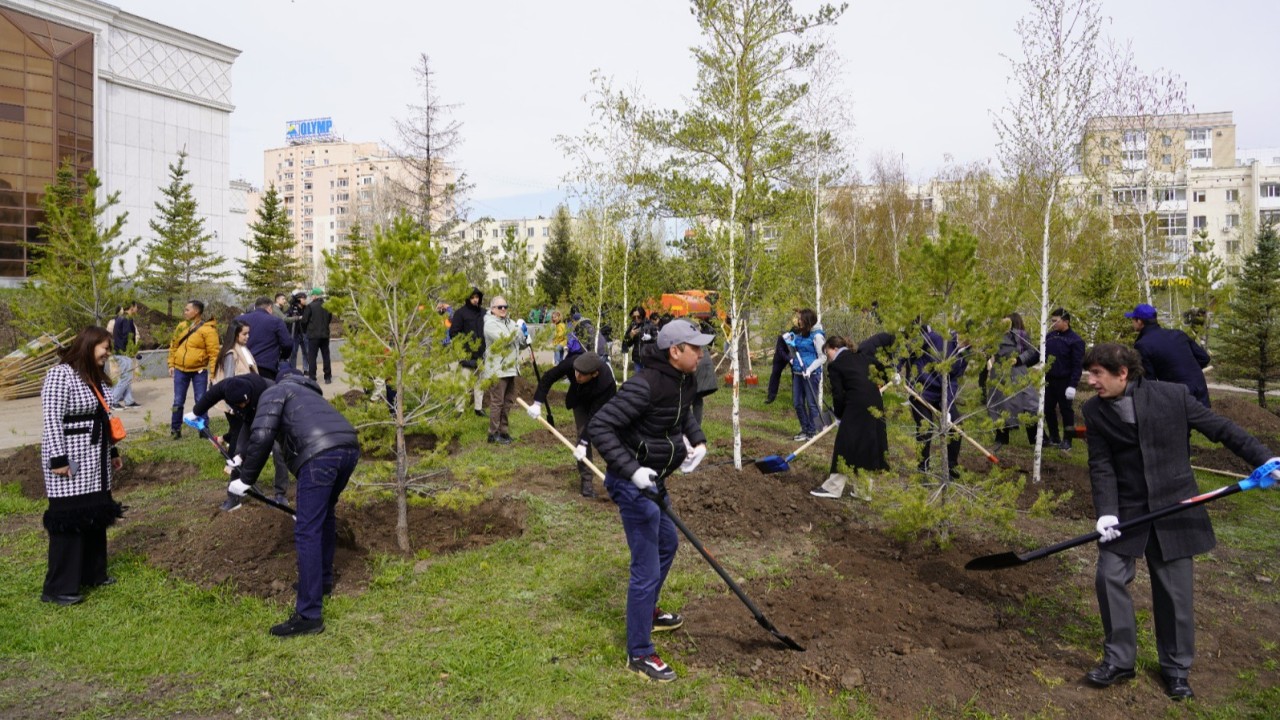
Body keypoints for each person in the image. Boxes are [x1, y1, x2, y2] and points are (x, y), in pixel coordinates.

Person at [1080, 343, 1277, 701]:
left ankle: (1175, 669)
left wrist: (1266, 458)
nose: (1090, 381)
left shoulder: (1172, 396)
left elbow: (1221, 429)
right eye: (1089, 373)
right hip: (1128, 508)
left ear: (1122, 373)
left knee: (1174, 593)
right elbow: (1101, 464)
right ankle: (1120, 660)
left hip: (1175, 506)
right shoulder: (1093, 411)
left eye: (1097, 373)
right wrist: (1106, 510)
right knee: (1109, 575)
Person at [588, 319, 713, 682]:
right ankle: (639, 653)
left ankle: (648, 613)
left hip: (654, 478)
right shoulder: (643, 385)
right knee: (646, 566)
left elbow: (684, 412)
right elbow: (599, 426)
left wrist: (699, 441)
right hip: (632, 482)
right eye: (696, 348)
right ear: (675, 352)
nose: (702, 354)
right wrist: (631, 470)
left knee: (667, 544)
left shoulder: (683, 380)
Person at [224, 369, 360, 638]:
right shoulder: (306, 392)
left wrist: (246, 479)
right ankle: (322, 583)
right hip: (348, 448)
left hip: (319, 455)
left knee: (307, 530)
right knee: (324, 517)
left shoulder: (272, 393)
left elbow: (262, 436)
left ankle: (309, 615)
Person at [39, 326, 124, 606]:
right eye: (105, 348)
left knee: (94, 515)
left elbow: (104, 413)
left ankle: (92, 573)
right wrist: (58, 458)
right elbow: (51, 419)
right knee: (70, 518)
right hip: (71, 458)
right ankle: (59, 587)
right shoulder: (60, 375)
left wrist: (112, 450)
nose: (108, 353)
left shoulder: (94, 376)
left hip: (95, 459)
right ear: (89, 345)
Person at [528, 347, 617, 498]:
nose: (577, 376)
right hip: (580, 401)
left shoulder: (606, 383)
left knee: (604, 439)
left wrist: (585, 442)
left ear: (594, 374)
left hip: (601, 406)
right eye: (576, 372)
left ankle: (617, 480)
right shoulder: (573, 364)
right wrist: (537, 402)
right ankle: (587, 482)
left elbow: (595, 417)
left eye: (582, 375)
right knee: (582, 434)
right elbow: (549, 377)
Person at [810, 335, 889, 500]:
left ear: (835, 348)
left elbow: (838, 395)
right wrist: (882, 381)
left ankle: (833, 488)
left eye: (828, 352)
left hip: (857, 405)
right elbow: (882, 369)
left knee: (845, 444)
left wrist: (839, 415)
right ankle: (864, 490)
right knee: (867, 443)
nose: (828, 357)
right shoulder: (862, 357)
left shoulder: (836, 366)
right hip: (875, 403)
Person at [909, 323, 968, 478]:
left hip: (941, 395)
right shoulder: (937, 338)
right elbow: (909, 349)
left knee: (956, 425)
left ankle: (951, 467)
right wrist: (897, 369)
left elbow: (953, 381)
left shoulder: (966, 354)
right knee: (925, 426)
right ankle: (923, 468)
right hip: (921, 391)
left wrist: (947, 407)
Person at [1127, 303, 1211, 409]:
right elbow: (1204, 358)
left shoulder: (1142, 345)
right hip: (1200, 390)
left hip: (1178, 395)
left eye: (1132, 320)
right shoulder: (1178, 334)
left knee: (1179, 425)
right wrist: (1189, 371)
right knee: (1205, 424)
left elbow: (1149, 381)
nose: (1132, 323)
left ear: (1139, 321)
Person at [987, 312, 1040, 450]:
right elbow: (986, 350)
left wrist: (1018, 359)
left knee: (1029, 401)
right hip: (999, 373)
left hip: (1018, 371)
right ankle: (1001, 438)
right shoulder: (995, 336)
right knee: (1000, 403)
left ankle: (1036, 437)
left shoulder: (1021, 335)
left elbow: (1031, 350)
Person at [168, 300, 219, 440]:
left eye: (187, 310)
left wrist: (213, 374)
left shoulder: (208, 329)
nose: (184, 312)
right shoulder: (181, 326)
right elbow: (173, 346)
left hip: (199, 371)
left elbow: (214, 354)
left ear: (196, 311)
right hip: (180, 370)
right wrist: (171, 364)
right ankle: (175, 429)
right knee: (177, 401)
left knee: (201, 400)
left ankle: (203, 429)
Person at [1044, 308, 1085, 451]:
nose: (1053, 324)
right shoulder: (1049, 337)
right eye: (1051, 321)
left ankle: (1068, 440)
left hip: (1065, 381)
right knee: (1047, 409)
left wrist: (1072, 385)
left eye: (1055, 321)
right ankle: (1054, 437)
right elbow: (1038, 354)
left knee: (1066, 411)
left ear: (1066, 321)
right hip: (1049, 380)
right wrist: (1020, 360)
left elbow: (1077, 365)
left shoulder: (1075, 340)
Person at [483, 296, 522, 444]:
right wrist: (518, 332)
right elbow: (505, 340)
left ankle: (503, 431)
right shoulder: (490, 324)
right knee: (497, 402)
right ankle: (493, 434)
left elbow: (520, 341)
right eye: (500, 307)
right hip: (497, 369)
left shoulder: (510, 322)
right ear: (493, 309)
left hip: (511, 368)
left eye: (505, 306)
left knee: (508, 401)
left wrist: (523, 335)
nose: (503, 309)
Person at [783, 308, 826, 442]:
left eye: (801, 319)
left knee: (812, 404)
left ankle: (814, 432)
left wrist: (810, 369)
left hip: (811, 374)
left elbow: (823, 357)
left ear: (807, 320)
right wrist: (791, 354)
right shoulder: (800, 333)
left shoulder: (817, 336)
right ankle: (806, 429)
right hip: (798, 372)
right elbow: (796, 351)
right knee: (797, 403)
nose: (798, 321)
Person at [448, 288, 487, 417]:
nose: (475, 299)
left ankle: (478, 408)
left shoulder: (484, 313)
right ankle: (459, 410)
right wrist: (463, 348)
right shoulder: (460, 313)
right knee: (462, 383)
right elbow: (454, 332)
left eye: (477, 297)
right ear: (468, 298)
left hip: (481, 353)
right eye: (472, 297)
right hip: (466, 354)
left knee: (480, 383)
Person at [235, 297, 293, 382]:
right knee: (266, 393)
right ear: (270, 307)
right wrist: (283, 356)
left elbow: (230, 341)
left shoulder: (238, 320)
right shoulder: (276, 321)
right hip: (266, 367)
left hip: (242, 366)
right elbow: (287, 343)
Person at [109, 301, 142, 410]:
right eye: (136, 307)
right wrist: (130, 351)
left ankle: (129, 401)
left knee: (126, 377)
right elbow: (127, 337)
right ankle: (113, 400)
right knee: (126, 378)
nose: (137, 309)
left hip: (120, 352)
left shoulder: (120, 318)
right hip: (123, 353)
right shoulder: (127, 319)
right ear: (132, 307)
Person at [301, 288, 333, 384]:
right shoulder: (328, 306)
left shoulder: (310, 306)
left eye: (312, 295)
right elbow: (329, 319)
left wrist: (306, 331)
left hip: (313, 335)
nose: (311, 297)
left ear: (315, 296)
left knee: (312, 357)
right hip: (325, 335)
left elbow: (304, 321)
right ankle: (327, 377)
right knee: (326, 356)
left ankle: (312, 377)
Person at [621, 307, 656, 371]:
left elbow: (657, 339)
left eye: (638, 317)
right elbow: (627, 343)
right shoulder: (632, 325)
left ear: (642, 315)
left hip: (648, 358)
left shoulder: (650, 325)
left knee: (648, 379)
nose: (636, 319)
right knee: (639, 380)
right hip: (637, 359)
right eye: (634, 317)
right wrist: (630, 335)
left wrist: (650, 338)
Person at [285, 292, 309, 373]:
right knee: (293, 353)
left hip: (305, 333)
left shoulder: (307, 308)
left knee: (306, 352)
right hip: (294, 334)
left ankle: (306, 369)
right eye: (304, 298)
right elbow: (287, 320)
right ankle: (293, 370)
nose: (305, 300)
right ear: (299, 299)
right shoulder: (291, 309)